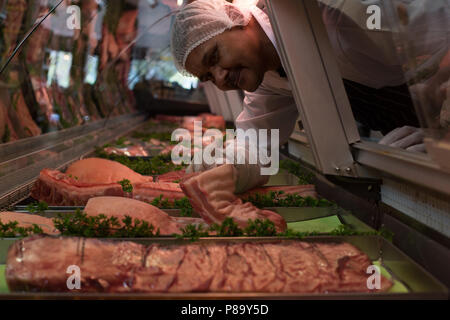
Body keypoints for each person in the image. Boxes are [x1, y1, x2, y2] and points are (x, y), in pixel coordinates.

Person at [170, 0, 449, 192]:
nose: (220, 77)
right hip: (426, 141)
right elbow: (255, 142)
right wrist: (227, 166)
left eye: (215, 56)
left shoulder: (329, 13)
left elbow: (438, 20)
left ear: (236, 19)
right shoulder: (269, 78)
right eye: (208, 76)